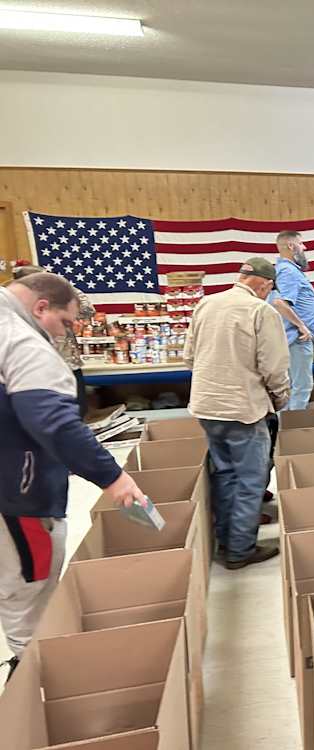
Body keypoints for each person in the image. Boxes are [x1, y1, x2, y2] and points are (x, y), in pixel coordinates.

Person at [1, 272, 144, 680]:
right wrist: (113, 477)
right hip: (16, 492)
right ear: (41, 307)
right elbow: (56, 423)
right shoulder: (22, 340)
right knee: (30, 582)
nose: (66, 335)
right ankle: (32, 676)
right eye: (65, 323)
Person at [184, 258, 290, 570]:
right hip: (243, 410)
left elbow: (189, 357)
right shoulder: (261, 311)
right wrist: (280, 400)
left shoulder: (206, 304)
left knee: (225, 474)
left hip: (207, 407)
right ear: (265, 285)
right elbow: (274, 368)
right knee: (251, 480)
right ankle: (240, 550)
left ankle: (226, 539)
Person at [12, 264, 94, 417]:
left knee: (78, 411)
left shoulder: (59, 299)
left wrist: (61, 286)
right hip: (36, 366)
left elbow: (87, 310)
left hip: (68, 362)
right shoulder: (14, 306)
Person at [268, 230, 314, 411]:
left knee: (293, 387)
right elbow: (279, 303)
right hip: (297, 339)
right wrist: (301, 326)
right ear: (291, 246)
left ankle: (285, 429)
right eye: (301, 244)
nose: (304, 247)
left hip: (294, 339)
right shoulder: (288, 271)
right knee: (302, 387)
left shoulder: (285, 270)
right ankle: (292, 430)